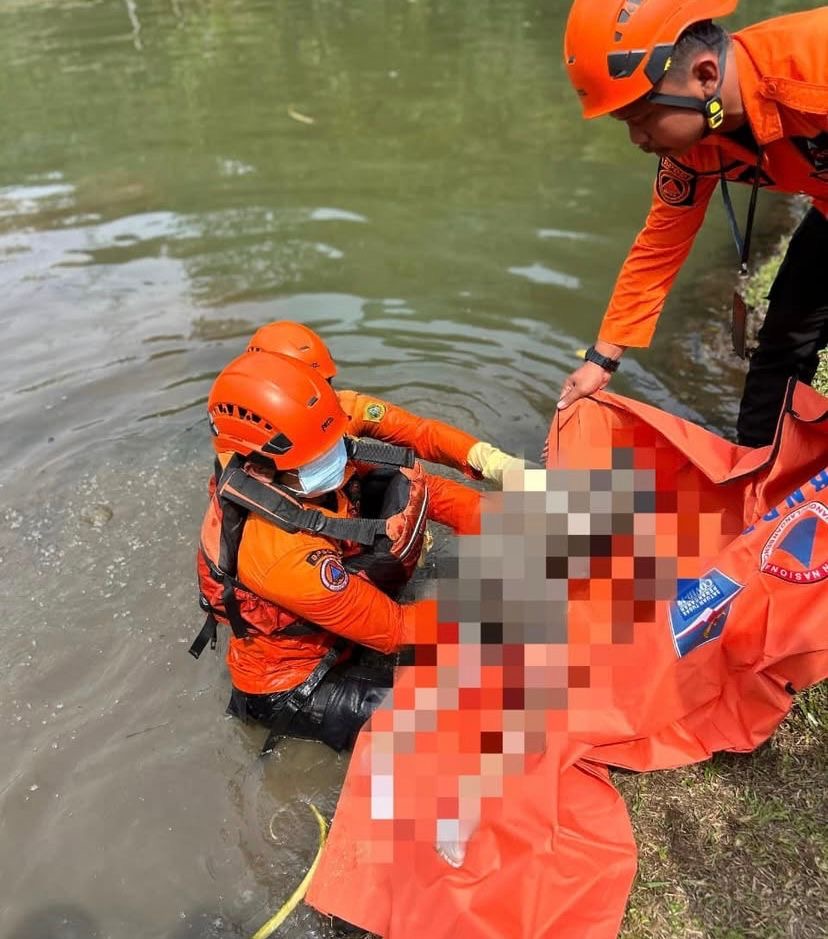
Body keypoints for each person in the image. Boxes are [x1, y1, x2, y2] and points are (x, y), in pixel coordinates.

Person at [192, 349, 506, 752]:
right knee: (480, 717)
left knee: (402, 481)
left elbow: (426, 485)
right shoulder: (281, 552)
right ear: (260, 468)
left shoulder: (299, 455)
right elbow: (398, 629)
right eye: (323, 456)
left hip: (334, 624)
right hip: (294, 684)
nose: (341, 461)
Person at [557, 1, 828, 447]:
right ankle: (757, 482)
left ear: (704, 76)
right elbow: (659, 246)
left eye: (642, 117)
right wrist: (601, 361)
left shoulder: (812, 66)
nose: (637, 139)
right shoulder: (693, 152)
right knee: (781, 346)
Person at [246, 320, 525, 492]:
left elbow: (419, 433)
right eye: (316, 390)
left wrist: (492, 462)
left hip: (354, 518)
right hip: (315, 558)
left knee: (413, 486)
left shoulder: (344, 408)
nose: (327, 397)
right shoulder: (242, 461)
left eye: (327, 384)